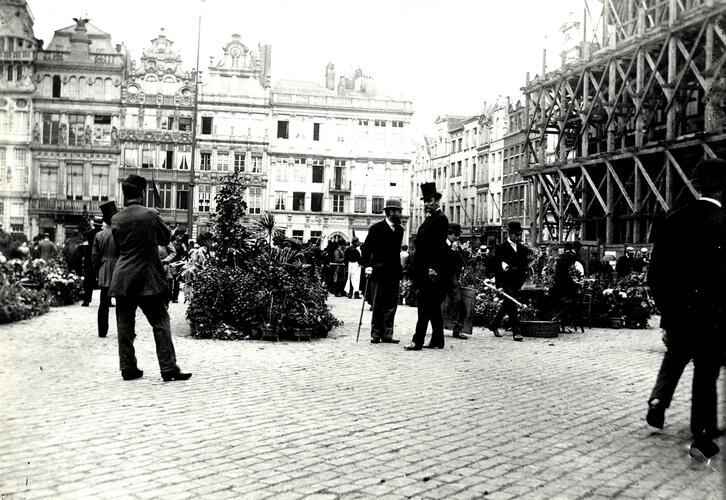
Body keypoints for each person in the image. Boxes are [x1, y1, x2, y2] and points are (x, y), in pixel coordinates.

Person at [646, 158, 726, 462]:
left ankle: (657, 401)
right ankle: (702, 429)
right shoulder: (723, 223)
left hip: (679, 313)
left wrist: (669, 310)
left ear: (696, 184)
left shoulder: (674, 219)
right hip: (712, 317)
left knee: (675, 358)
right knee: (706, 372)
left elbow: (656, 274)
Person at [110, 174, 191, 382]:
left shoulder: (116, 219)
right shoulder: (150, 214)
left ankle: (128, 368)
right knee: (160, 321)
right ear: (142, 193)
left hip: (124, 278)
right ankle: (168, 368)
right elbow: (165, 239)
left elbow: (119, 246)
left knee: (124, 326)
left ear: (124, 194)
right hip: (147, 277)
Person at [405, 183, 450, 351]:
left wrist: (433, 268)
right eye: (425, 201)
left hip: (431, 270)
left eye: (430, 200)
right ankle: (438, 340)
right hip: (424, 268)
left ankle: (417, 341)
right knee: (432, 307)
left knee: (424, 306)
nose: (426, 204)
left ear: (437, 200)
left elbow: (438, 247)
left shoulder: (441, 219)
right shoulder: (430, 219)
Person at [362, 199, 405, 344]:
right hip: (379, 272)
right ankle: (376, 334)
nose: (401, 214)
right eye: (399, 211)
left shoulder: (400, 230)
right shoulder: (376, 228)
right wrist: (367, 265)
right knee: (378, 304)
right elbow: (366, 249)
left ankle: (387, 334)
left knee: (391, 305)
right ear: (391, 212)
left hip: (393, 273)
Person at [488, 221, 528, 342]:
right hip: (506, 281)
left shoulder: (521, 248)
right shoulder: (502, 248)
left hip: (517, 282)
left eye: (520, 234)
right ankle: (517, 332)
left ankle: (493, 324)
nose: (519, 237)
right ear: (510, 234)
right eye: (517, 235)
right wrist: (499, 286)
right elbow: (497, 269)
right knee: (513, 304)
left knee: (508, 304)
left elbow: (524, 265)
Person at [92, 201, 118, 338]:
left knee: (103, 303)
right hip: (119, 269)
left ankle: (102, 331)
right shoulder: (120, 234)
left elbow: (95, 257)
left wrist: (98, 272)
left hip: (104, 269)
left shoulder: (99, 235)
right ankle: (124, 331)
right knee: (122, 303)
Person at [443, 222, 470, 340]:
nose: (457, 237)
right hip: (443, 278)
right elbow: (443, 261)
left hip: (453, 279)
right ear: (449, 235)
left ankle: (457, 329)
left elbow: (462, 260)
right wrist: (453, 250)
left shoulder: (456, 246)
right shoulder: (442, 245)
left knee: (460, 305)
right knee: (434, 305)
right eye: (455, 235)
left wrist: (464, 251)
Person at [80, 220, 101, 307]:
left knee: (89, 281)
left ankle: (86, 301)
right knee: (105, 281)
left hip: (89, 260)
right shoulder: (102, 234)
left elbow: (83, 248)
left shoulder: (87, 234)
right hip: (100, 260)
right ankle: (107, 301)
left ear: (94, 225)